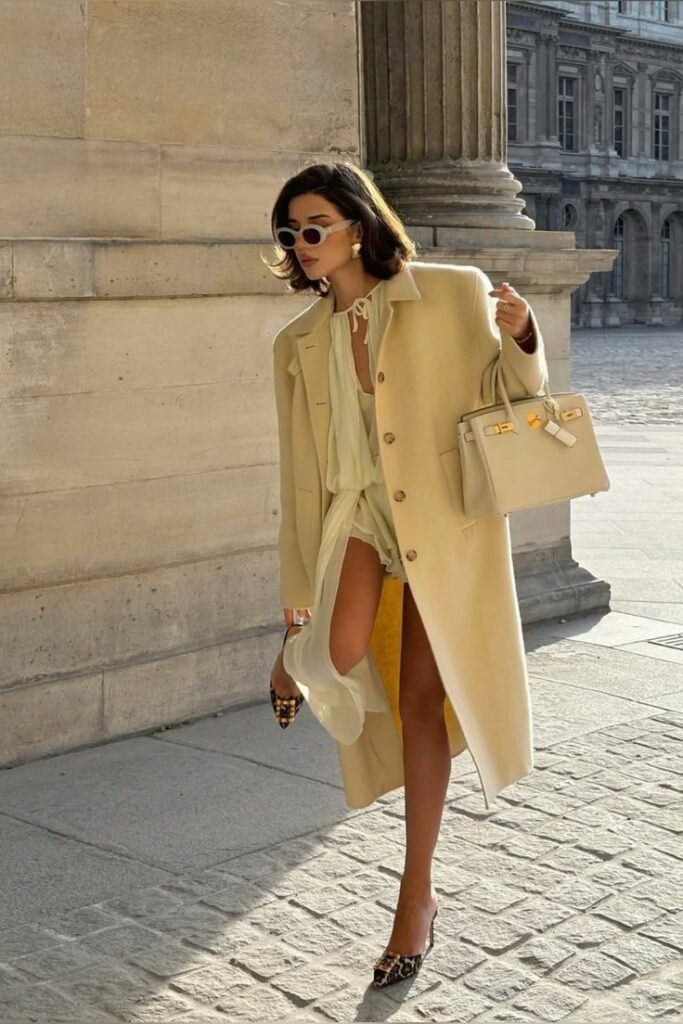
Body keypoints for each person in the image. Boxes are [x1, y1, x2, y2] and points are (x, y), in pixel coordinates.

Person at [265, 161, 547, 988]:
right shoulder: (297, 345)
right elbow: (296, 479)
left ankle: (414, 895)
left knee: (425, 705)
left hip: (439, 518)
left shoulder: (449, 293)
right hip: (354, 516)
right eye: (290, 234)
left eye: (315, 226)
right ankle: (289, 662)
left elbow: (511, 396)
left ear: (356, 223)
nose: (303, 245)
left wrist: (524, 337)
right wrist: (293, 610)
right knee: (337, 645)